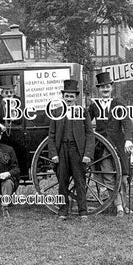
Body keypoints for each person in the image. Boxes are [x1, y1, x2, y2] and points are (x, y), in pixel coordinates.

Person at [88, 71, 133, 217]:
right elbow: (86, 123)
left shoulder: (119, 104)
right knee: (108, 176)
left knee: (124, 178)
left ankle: (124, 205)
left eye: (107, 86)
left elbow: (127, 123)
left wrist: (128, 140)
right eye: (102, 87)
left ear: (111, 88)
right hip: (102, 148)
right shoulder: (94, 106)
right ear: (98, 89)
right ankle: (119, 206)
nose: (105, 89)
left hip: (119, 146)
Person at [48, 80, 95, 220]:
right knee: (62, 181)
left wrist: (87, 154)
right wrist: (54, 154)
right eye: (66, 96)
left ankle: (83, 211)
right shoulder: (56, 112)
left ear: (76, 97)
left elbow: (89, 134)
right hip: (62, 150)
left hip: (77, 151)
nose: (69, 99)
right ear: (63, 96)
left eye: (71, 96)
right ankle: (63, 211)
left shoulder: (83, 112)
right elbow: (51, 136)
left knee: (79, 181)